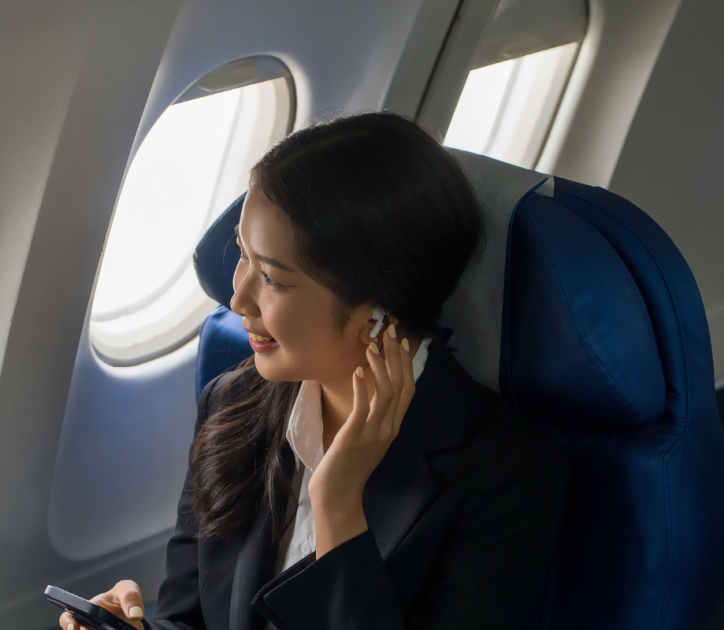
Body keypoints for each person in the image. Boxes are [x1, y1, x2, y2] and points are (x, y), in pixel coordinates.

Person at [59, 112, 570, 630]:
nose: (236, 297)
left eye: (271, 278)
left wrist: (338, 506)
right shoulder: (231, 403)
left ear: (379, 306)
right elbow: (191, 618)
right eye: (241, 253)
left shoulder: (505, 472)